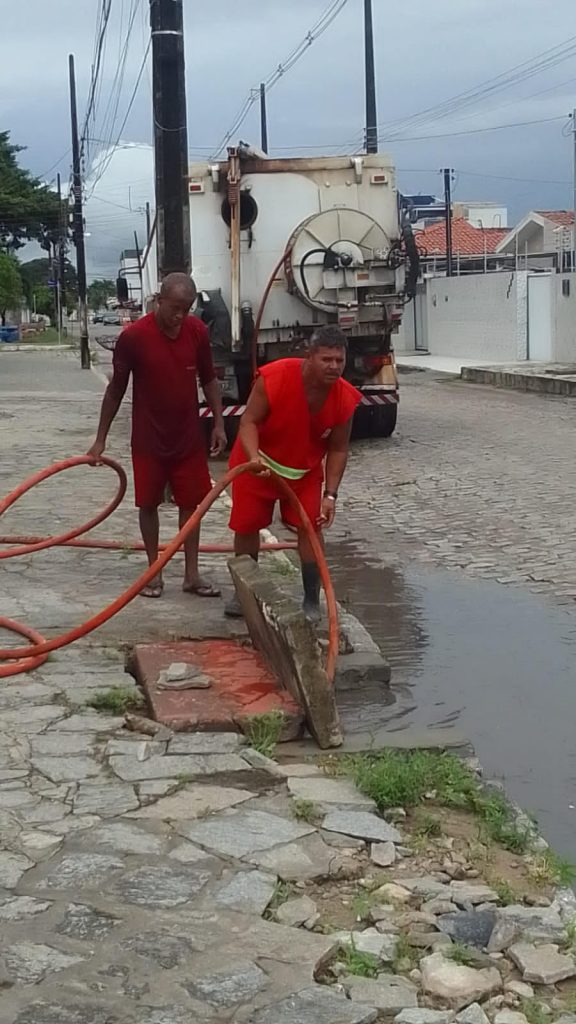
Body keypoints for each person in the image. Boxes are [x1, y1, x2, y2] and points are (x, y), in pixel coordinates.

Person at [87, 273, 226, 599]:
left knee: (191, 505)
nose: (180, 316)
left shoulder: (196, 332)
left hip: (188, 437)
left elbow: (209, 380)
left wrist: (219, 423)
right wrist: (100, 439)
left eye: (186, 309)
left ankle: (192, 574)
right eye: (174, 308)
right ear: (159, 300)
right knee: (148, 503)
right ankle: (154, 571)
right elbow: (116, 390)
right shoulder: (134, 337)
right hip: (149, 439)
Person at [226, 324, 361, 622]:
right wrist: (253, 458)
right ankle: (243, 591)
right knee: (247, 525)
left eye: (339, 360)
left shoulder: (344, 399)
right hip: (257, 463)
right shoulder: (274, 378)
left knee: (311, 527)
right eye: (326, 359)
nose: (334, 367)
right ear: (309, 357)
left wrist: (330, 495)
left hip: (303, 472)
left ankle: (312, 599)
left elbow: (338, 449)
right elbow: (248, 422)